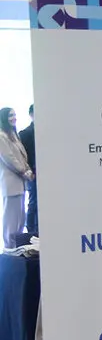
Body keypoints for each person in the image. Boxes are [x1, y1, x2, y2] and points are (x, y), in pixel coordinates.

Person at [0, 107, 33, 248]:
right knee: (12, 219)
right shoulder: (1, 136)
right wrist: (24, 171)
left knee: (20, 217)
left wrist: (28, 170)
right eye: (10, 116)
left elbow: (22, 156)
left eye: (14, 115)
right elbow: (10, 158)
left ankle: (16, 247)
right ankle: (9, 248)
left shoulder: (13, 135)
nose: (13, 118)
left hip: (20, 181)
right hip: (11, 181)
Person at [19, 105, 35, 236]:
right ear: (31, 114)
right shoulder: (24, 133)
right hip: (33, 173)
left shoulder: (48, 131)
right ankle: (31, 231)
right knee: (33, 202)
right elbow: (23, 156)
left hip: (49, 173)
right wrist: (29, 171)